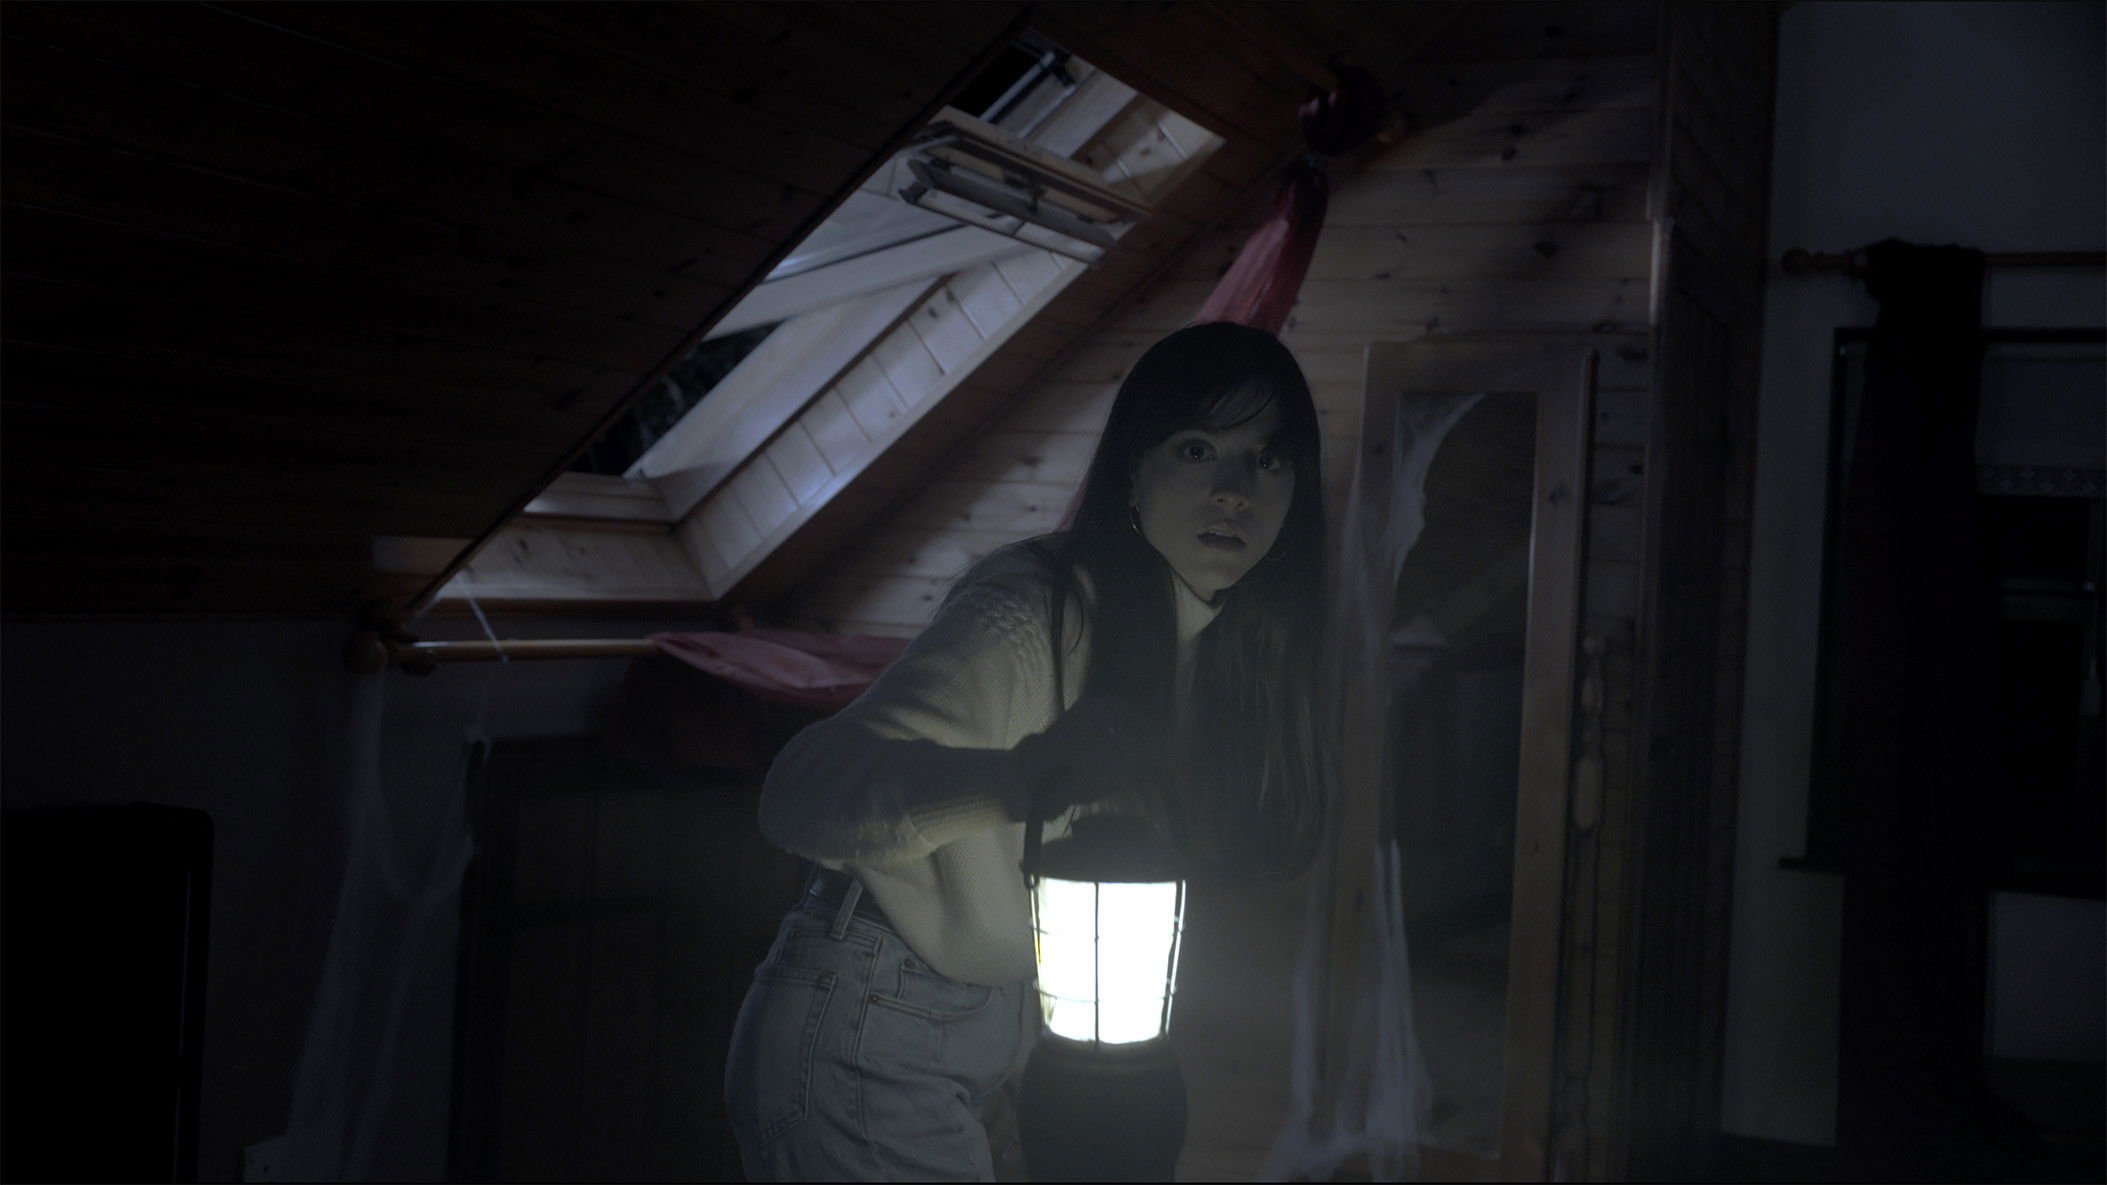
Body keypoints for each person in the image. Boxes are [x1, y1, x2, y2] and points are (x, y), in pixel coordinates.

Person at [722, 321, 1331, 1181]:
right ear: (1132, 469)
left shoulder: (1212, 645)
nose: (1235, 490)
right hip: (869, 1018)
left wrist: (1015, 1058)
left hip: (972, 1027)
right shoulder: (1031, 607)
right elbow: (800, 791)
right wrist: (1018, 777)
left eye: (1269, 458)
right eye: (1198, 449)